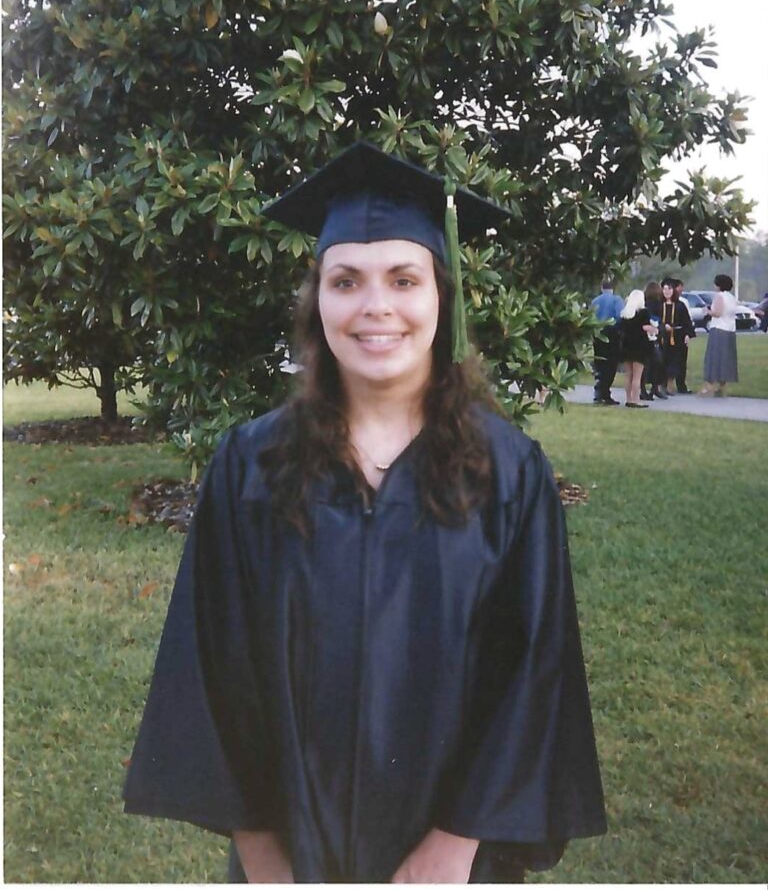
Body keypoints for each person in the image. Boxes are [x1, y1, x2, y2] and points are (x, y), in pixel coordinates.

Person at [123, 142, 606, 883]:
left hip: (452, 861)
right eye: (346, 280)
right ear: (318, 302)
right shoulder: (252, 467)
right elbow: (211, 665)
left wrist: (451, 850)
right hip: (287, 855)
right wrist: (263, 857)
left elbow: (532, 674)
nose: (376, 306)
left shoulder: (508, 474)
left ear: (441, 296)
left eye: (403, 279)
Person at [701, 273, 739, 396]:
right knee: (726, 358)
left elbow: (717, 313)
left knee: (714, 357)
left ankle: (709, 386)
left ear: (719, 285)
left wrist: (707, 311)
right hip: (730, 330)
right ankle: (721, 386)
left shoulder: (719, 296)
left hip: (718, 329)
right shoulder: (732, 297)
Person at [617, 289, 657, 408]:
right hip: (640, 347)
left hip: (626, 346)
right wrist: (655, 329)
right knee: (637, 376)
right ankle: (635, 399)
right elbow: (645, 328)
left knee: (628, 375)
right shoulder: (643, 312)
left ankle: (628, 398)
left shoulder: (625, 314)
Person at [590, 279, 623, 405]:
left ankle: (600, 392)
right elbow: (620, 316)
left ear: (601, 288)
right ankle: (604, 391)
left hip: (598, 334)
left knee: (600, 362)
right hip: (612, 334)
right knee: (611, 364)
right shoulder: (616, 300)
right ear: (612, 288)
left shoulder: (595, 301)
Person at [659, 277, 692, 395]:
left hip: (677, 337)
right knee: (662, 361)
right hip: (662, 338)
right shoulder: (659, 305)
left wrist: (688, 334)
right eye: (664, 289)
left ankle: (671, 384)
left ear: (674, 290)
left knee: (676, 362)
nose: (667, 291)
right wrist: (662, 326)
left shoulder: (680, 305)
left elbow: (687, 322)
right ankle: (661, 384)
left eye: (669, 289)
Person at [640, 280, 667, 401]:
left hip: (644, 336)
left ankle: (643, 389)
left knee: (645, 364)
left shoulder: (644, 304)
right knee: (658, 363)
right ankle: (654, 388)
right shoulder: (659, 304)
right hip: (655, 335)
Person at [672, 279, 696, 392]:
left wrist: (688, 334)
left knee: (681, 361)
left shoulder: (682, 303)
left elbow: (687, 320)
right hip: (669, 335)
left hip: (680, 334)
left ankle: (681, 385)